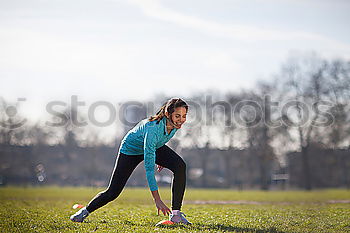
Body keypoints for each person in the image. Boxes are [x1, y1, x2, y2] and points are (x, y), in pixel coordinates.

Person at [70, 98, 191, 224]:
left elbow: (161, 139)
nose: (181, 120)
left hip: (151, 145)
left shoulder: (174, 125)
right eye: (178, 116)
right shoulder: (153, 130)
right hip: (130, 150)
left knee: (179, 166)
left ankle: (176, 215)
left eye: (184, 116)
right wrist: (157, 199)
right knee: (113, 192)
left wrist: (160, 159)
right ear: (167, 114)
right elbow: (149, 170)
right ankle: (83, 212)